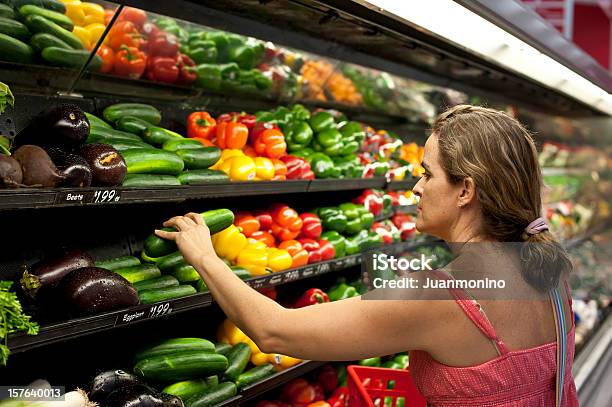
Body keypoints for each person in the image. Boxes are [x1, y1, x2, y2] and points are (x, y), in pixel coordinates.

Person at [155, 105, 578, 406]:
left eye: (428, 174)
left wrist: (205, 256)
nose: (415, 187)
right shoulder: (548, 266)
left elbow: (274, 331)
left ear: (466, 190)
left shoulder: (439, 296)